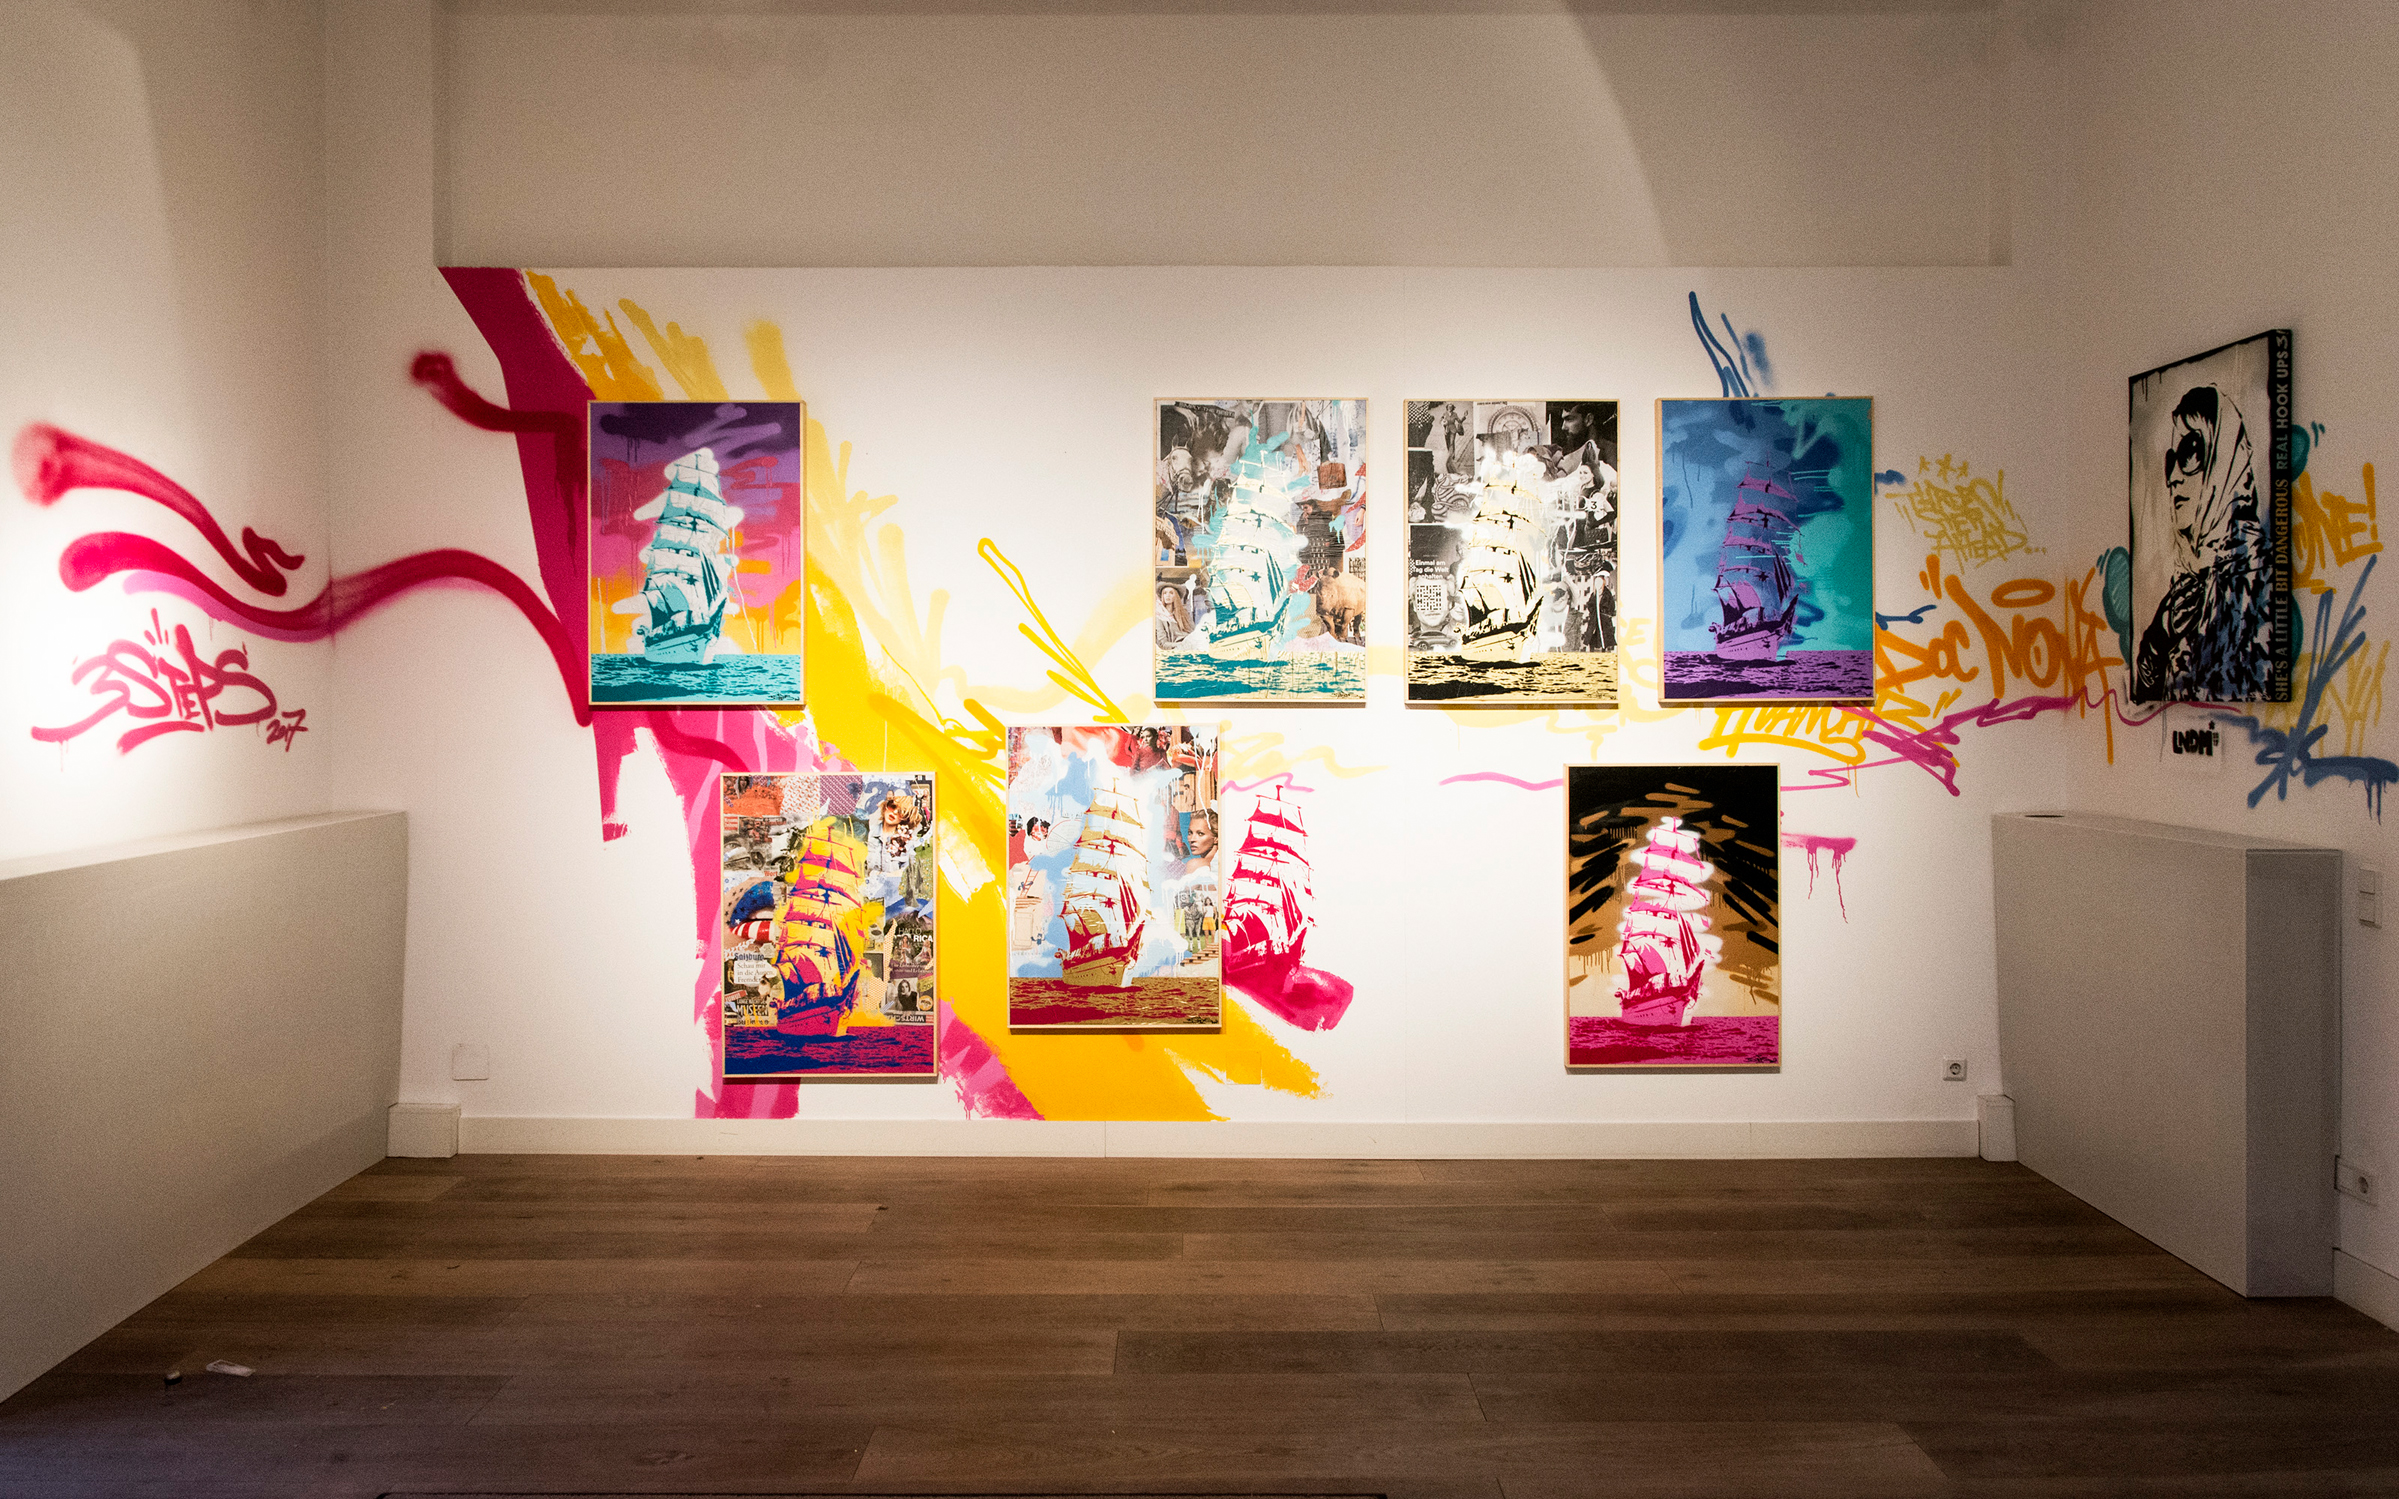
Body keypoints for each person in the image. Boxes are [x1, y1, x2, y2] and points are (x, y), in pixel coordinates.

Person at [2135, 384, 2274, 701]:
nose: (2173, 477)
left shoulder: (2256, 575)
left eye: (2191, 452)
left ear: (2223, 462)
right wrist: (2158, 640)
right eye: (2171, 461)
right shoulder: (2184, 589)